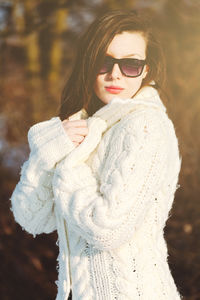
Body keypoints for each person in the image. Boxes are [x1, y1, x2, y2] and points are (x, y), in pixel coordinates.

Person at [10, 9, 183, 300]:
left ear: (146, 70)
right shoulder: (90, 128)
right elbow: (32, 219)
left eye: (130, 64)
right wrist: (45, 154)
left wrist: (69, 161)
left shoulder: (144, 126)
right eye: (105, 61)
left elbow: (106, 229)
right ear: (89, 65)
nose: (115, 73)